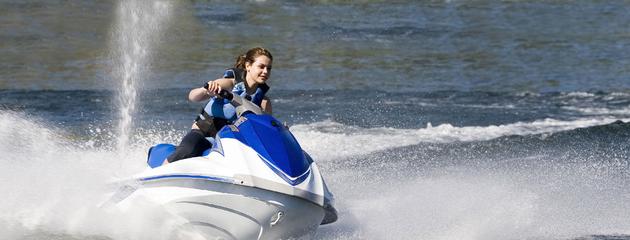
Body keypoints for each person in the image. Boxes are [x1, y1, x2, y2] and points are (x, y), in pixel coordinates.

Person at [164, 47, 273, 164]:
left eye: (269, 68)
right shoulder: (229, 84)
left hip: (232, 142)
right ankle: (163, 170)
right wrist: (206, 90)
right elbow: (192, 97)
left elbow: (264, 131)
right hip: (203, 134)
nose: (265, 71)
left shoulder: (264, 102)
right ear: (248, 66)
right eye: (261, 67)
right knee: (186, 151)